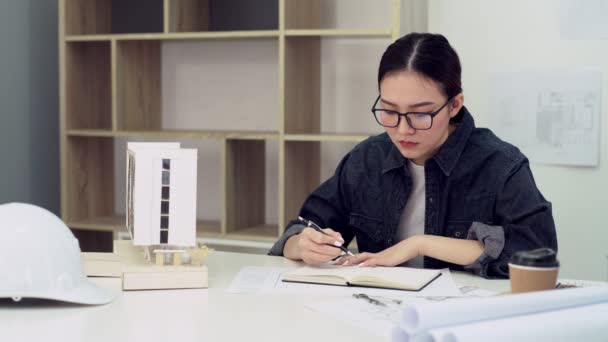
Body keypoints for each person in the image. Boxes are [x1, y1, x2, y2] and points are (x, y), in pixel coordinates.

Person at [268, 33, 557, 278]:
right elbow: (303, 227)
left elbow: (535, 253)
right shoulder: (367, 159)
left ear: (454, 104)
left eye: (420, 114)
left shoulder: (500, 165)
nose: (403, 130)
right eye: (390, 111)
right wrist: (300, 244)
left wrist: (421, 244)